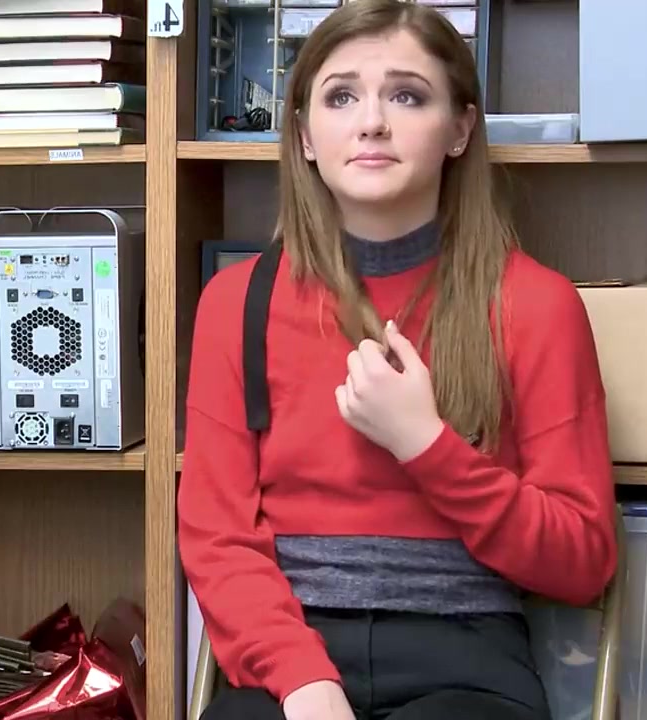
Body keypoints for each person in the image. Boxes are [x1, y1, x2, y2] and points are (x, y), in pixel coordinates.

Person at [177, 2, 618, 720]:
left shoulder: (538, 305)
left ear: (461, 129)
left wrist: (426, 445)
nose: (372, 122)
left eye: (407, 96)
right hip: (290, 656)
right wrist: (301, 679)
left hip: (470, 660)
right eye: (341, 97)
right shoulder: (236, 303)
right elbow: (216, 538)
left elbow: (582, 561)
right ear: (304, 136)